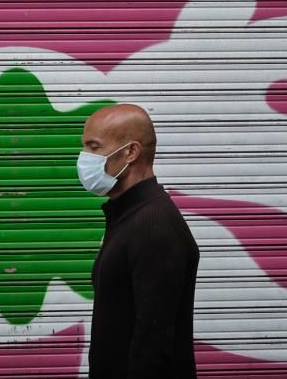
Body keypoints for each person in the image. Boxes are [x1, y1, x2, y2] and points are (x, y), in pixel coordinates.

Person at [77, 103, 199, 379]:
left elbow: (153, 347)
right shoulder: (131, 217)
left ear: (131, 152)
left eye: (94, 147)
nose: (84, 158)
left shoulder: (154, 228)